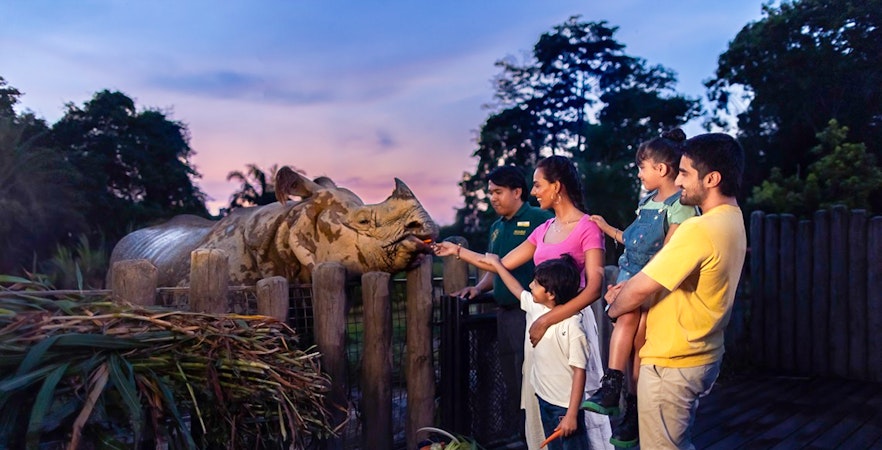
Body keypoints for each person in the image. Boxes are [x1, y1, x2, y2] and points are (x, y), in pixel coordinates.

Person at [435, 155, 612, 450]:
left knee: (574, 401)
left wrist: (548, 319)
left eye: (538, 185)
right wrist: (456, 251)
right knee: (540, 394)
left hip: (569, 323)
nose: (533, 191)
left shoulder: (587, 228)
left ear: (557, 187)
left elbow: (594, 288)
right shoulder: (543, 231)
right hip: (538, 324)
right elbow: (500, 264)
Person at [605, 133, 746, 449]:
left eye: (684, 173)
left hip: (673, 362)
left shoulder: (698, 229)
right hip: (703, 353)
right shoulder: (734, 219)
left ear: (711, 179)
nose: (677, 181)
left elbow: (640, 287)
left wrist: (614, 307)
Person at [582, 129, 698, 448]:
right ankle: (612, 386)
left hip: (651, 280)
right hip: (630, 271)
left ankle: (631, 409)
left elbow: (669, 254)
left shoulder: (681, 205)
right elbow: (632, 241)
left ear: (661, 169)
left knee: (639, 341)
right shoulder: (646, 200)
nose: (638, 173)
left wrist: (633, 288)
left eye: (642, 167)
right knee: (628, 325)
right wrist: (605, 228)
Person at [451, 165, 552, 430]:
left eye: (498, 192)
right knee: (512, 380)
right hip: (505, 312)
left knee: (532, 377)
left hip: (531, 311)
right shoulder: (496, 227)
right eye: (490, 193)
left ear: (517, 191)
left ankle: (543, 435)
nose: (492, 198)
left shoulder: (539, 219)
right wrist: (479, 289)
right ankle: (524, 435)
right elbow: (494, 267)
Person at [484, 252, 590, 450]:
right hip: (544, 399)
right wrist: (497, 265)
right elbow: (516, 288)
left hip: (564, 407)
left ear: (550, 293)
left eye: (536, 282)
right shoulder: (536, 307)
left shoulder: (572, 326)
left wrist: (572, 415)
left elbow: (579, 372)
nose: (531, 285)